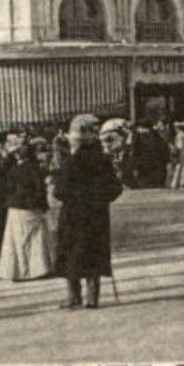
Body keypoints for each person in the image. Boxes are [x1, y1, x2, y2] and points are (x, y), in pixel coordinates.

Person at [52, 113, 123, 309]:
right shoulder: (103, 161)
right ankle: (93, 297)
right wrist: (100, 200)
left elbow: (59, 192)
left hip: (73, 215)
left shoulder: (71, 162)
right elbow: (116, 188)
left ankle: (74, 296)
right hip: (97, 215)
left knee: (71, 253)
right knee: (94, 252)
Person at [0, 136, 56, 282]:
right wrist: (43, 205)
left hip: (17, 207)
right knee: (35, 239)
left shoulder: (13, 168)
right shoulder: (34, 167)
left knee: (17, 240)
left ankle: (19, 271)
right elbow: (39, 188)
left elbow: (0, 176)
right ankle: (37, 269)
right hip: (30, 206)